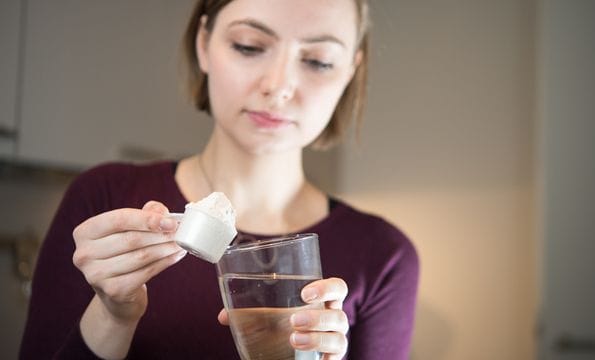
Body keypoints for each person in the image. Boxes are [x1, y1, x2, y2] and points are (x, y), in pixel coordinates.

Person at [19, 0, 419, 359]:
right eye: (248, 45)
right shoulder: (105, 197)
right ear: (203, 43)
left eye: (318, 61)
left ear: (351, 70)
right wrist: (113, 315)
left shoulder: (384, 255)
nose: (278, 86)